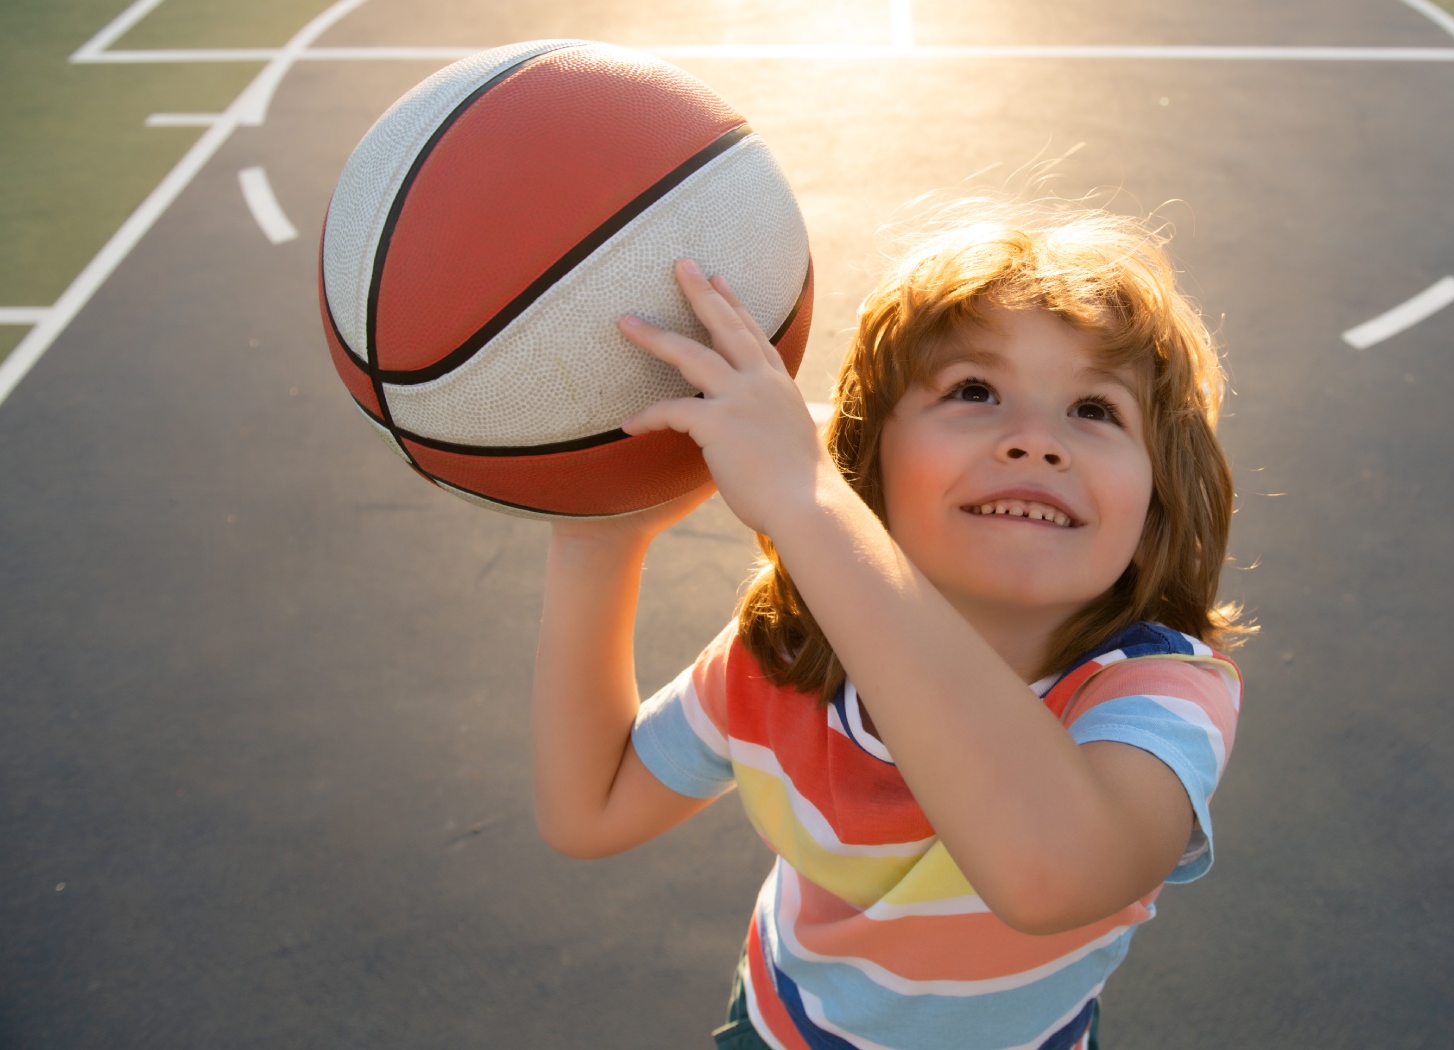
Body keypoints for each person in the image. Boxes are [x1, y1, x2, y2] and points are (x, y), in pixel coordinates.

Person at [530, 195, 1248, 1050]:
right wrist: (598, 540)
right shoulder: (787, 653)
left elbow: (1051, 875)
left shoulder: (1158, 695)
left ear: (1157, 500)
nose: (1036, 440)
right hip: (779, 1031)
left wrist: (809, 501)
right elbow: (591, 810)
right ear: (868, 456)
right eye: (974, 390)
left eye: (1095, 409)